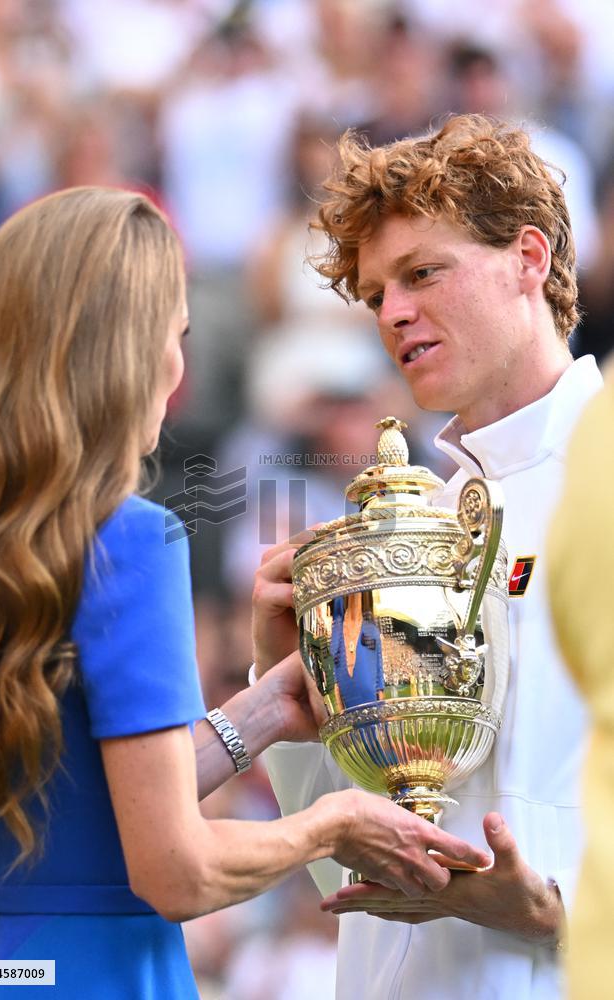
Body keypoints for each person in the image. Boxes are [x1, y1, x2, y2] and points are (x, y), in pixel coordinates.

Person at [0, 187, 488, 998]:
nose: (180, 371)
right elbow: (176, 868)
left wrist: (261, 713)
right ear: (123, 354)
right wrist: (332, 824)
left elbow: (78, 807)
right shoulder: (129, 541)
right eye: (176, 337)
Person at [252, 114, 603, 999]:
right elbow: (348, 867)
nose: (393, 313)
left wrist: (559, 909)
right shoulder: (411, 526)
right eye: (376, 295)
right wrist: (291, 682)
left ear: (529, 258)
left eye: (422, 273)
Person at [548, 365, 614, 1000]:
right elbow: (340, 887)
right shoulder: (429, 506)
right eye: (375, 314)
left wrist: (551, 907)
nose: (396, 319)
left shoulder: (596, 439)